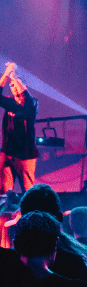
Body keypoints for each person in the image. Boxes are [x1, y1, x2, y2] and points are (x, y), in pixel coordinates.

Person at [0, 62, 39, 193]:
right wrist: (6, 74)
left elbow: (27, 98)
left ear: (23, 86)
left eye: (16, 85)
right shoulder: (10, 102)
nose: (14, 88)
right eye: (11, 86)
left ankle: (31, 212)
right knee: (5, 189)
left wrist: (14, 76)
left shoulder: (32, 103)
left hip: (25, 154)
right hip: (8, 152)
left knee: (28, 189)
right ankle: (6, 213)